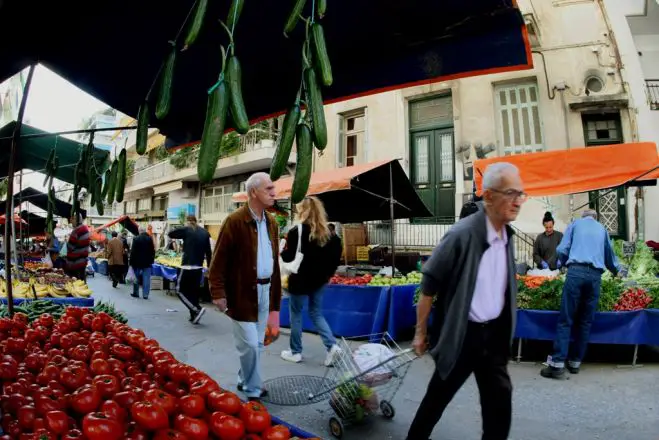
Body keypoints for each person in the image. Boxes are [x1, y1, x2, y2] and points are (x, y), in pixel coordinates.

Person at [407, 162, 525, 440]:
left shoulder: (508, 236)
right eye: (511, 193)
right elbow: (428, 286)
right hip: (463, 336)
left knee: (499, 406)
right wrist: (420, 333)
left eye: (521, 193)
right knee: (437, 398)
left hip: (493, 336)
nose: (518, 201)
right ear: (489, 197)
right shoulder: (461, 234)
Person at [209, 172, 282, 401]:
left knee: (258, 343)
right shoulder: (234, 221)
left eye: (273, 189)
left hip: (265, 290)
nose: (274, 193)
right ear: (253, 193)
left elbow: (274, 261)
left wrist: (275, 298)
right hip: (241, 292)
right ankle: (253, 388)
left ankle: (245, 378)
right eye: (268, 189)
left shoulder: (271, 222)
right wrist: (218, 293)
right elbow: (217, 261)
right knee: (249, 344)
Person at [541, 209, 620, 379]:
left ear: (583, 217)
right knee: (585, 320)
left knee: (566, 319)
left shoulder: (575, 224)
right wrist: (616, 271)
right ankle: (575, 362)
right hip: (595, 277)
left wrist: (565, 261)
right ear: (595, 217)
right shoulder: (602, 229)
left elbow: (562, 248)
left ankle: (557, 364)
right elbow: (610, 258)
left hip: (576, 272)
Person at [280, 197, 343, 365]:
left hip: (300, 280)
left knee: (296, 315)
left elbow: (289, 256)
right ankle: (332, 347)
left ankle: (296, 352)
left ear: (302, 211)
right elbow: (336, 257)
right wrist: (327, 275)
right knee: (316, 313)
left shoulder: (297, 231)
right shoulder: (330, 233)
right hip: (320, 280)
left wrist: (281, 251)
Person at [169, 215, 212, 324]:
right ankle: (194, 316)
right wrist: (209, 267)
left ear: (188, 221)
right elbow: (209, 252)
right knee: (193, 292)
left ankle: (196, 309)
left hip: (186, 267)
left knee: (179, 290)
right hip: (198, 268)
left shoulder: (187, 229)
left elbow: (171, 233)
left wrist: (184, 227)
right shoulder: (205, 233)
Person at [130, 227, 156, 299]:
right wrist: (151, 260)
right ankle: (145, 295)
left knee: (136, 278)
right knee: (146, 279)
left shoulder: (136, 238)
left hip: (137, 262)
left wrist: (131, 262)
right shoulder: (149, 239)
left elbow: (133, 252)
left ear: (139, 231)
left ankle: (136, 293)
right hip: (147, 263)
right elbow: (152, 251)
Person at [65, 214, 90, 282]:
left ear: (77, 220)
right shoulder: (85, 229)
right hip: (82, 263)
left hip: (75, 264)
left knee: (76, 284)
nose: (70, 221)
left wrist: (67, 241)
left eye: (72, 219)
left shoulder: (76, 231)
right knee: (82, 283)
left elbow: (70, 247)